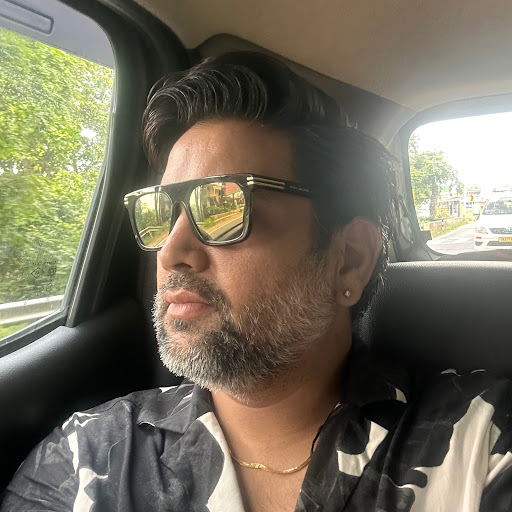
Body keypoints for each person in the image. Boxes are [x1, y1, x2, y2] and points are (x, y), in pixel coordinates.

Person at [2, 52, 512, 512]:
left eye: (223, 205)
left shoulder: (484, 447)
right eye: (160, 211)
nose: (171, 252)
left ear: (349, 261)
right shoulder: (85, 460)